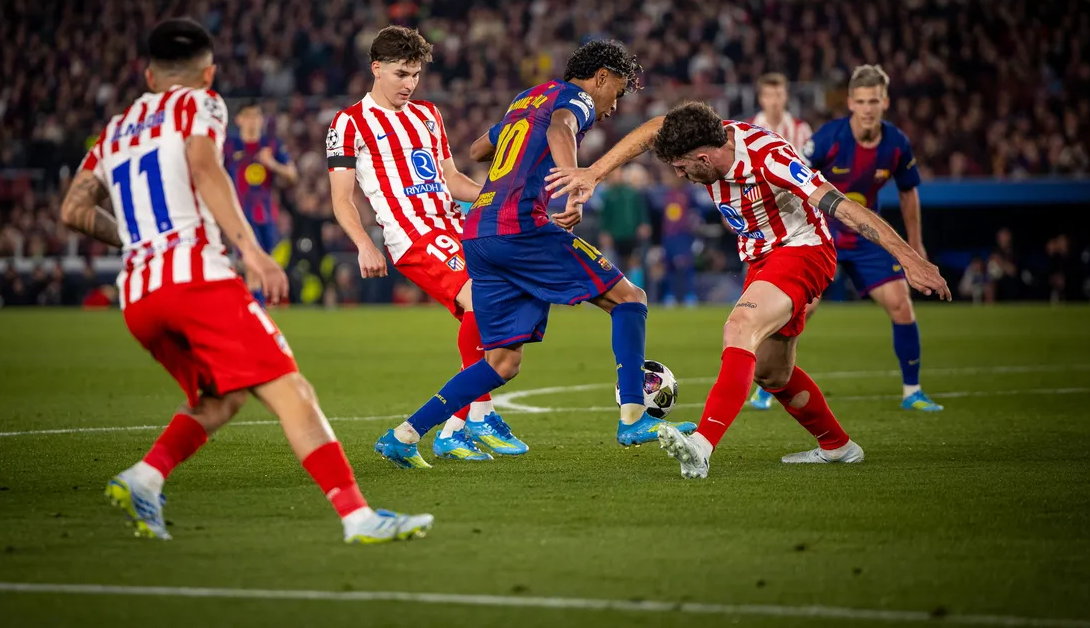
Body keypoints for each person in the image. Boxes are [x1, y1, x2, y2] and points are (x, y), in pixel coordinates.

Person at [59, 18, 431, 543]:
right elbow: (206, 167)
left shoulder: (116, 129)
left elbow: (74, 210)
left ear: (148, 74)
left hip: (139, 297)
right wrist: (252, 250)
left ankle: (143, 478)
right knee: (291, 390)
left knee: (220, 397)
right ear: (208, 74)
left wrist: (140, 241)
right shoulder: (200, 104)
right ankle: (358, 517)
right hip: (195, 281)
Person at [545, 101, 950, 478]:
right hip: (762, 259)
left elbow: (843, 206)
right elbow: (653, 128)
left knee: (740, 327)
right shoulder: (706, 138)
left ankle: (701, 447)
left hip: (802, 251)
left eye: (684, 169)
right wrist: (593, 174)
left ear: (704, 158)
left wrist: (910, 258)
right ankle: (837, 446)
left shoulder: (770, 158)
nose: (682, 177)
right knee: (774, 372)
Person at [372, 40, 696, 469]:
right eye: (616, 92)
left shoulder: (526, 98)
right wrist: (574, 182)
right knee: (630, 299)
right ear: (600, 77)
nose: (614, 106)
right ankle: (634, 417)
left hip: (481, 233)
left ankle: (405, 434)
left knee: (503, 362)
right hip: (522, 227)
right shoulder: (575, 98)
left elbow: (476, 151)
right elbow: (561, 127)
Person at [327, 25, 527, 464]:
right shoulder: (349, 123)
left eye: (415, 75)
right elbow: (341, 198)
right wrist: (363, 243)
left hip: (455, 226)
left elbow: (451, 179)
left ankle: (454, 428)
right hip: (411, 237)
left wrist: (500, 195)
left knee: (507, 300)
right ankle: (479, 413)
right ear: (376, 68)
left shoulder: (429, 115)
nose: (409, 84)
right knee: (481, 299)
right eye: (401, 74)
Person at [751, 65, 942, 412]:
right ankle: (768, 385)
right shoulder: (827, 138)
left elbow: (908, 193)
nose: (868, 108)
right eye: (862, 101)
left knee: (902, 307)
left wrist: (915, 245)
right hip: (823, 236)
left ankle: (912, 391)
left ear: (885, 102)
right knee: (799, 311)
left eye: (875, 101)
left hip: (868, 238)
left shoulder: (897, 143)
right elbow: (794, 176)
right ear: (851, 102)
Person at [224, 101, 297, 306]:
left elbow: (292, 175)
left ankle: (253, 308)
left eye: (257, 116)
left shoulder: (271, 145)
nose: (253, 121)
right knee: (253, 265)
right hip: (240, 216)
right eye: (248, 116)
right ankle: (257, 312)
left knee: (261, 265)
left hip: (267, 215)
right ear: (238, 120)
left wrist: (272, 164)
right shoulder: (229, 145)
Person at [750, 72, 812, 154]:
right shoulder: (749, 130)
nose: (774, 102)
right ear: (761, 99)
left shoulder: (802, 129)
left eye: (778, 95)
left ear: (786, 97)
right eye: (769, 96)